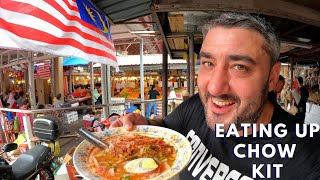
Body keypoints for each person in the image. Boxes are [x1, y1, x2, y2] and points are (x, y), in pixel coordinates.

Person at [110, 12, 320, 179]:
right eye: (209, 63)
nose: (215, 88)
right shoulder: (196, 107)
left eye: (239, 67)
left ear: (273, 77)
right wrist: (145, 123)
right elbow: (166, 129)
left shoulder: (307, 157)